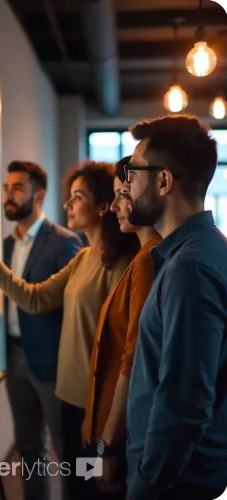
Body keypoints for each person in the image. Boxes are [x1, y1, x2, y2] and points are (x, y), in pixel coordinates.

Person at [0, 160, 139, 499]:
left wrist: (108, 431)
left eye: (77, 197)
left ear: (104, 206)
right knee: (75, 480)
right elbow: (35, 299)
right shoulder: (84, 257)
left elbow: (126, 352)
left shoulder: (121, 265)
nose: (67, 205)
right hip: (70, 396)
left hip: (97, 405)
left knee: (95, 486)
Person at [123, 114, 227, 500]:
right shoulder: (195, 253)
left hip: (180, 484)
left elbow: (185, 402)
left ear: (164, 181)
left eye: (132, 171)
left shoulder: (191, 267)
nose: (127, 184)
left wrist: (146, 484)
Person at [0, 160, 83, 500]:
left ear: (39, 195)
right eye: (7, 188)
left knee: (66, 452)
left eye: (18, 188)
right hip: (14, 357)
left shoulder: (65, 242)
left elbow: (74, 308)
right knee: (29, 448)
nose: (9, 195)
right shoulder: (5, 245)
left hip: (51, 362)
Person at [82, 157, 161, 500]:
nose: (114, 206)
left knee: (100, 491)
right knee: (86, 486)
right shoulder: (139, 256)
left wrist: (107, 446)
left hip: (114, 430)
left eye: (122, 194)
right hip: (102, 420)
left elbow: (133, 356)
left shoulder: (146, 260)